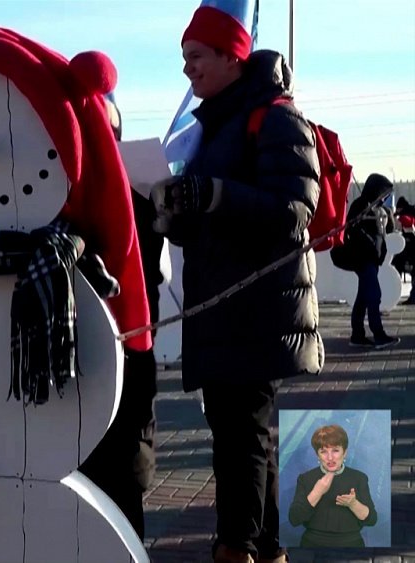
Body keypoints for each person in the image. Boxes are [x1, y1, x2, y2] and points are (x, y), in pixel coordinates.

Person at [151, 7, 324, 563]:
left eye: (196, 57)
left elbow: (294, 210)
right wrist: (175, 210)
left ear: (232, 56)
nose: (188, 70)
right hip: (226, 303)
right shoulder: (217, 122)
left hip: (258, 304)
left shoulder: (273, 118)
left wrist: (214, 194)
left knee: (240, 435)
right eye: (185, 59)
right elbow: (212, 212)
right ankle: (266, 547)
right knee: (246, 432)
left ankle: (236, 548)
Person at [79, 92, 161, 540]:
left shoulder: (140, 192)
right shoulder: (54, 192)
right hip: (76, 358)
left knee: (125, 471)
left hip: (130, 348)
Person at [288, 424, 377, 548]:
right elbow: (294, 519)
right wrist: (317, 492)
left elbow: (372, 520)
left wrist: (353, 504)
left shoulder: (359, 478)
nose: (330, 458)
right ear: (317, 455)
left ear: (344, 453)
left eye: (335, 450)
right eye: (323, 451)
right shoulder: (305, 479)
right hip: (312, 545)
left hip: (351, 544)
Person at [346, 174, 403, 345]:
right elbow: (352, 229)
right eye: (383, 193)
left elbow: (389, 228)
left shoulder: (378, 209)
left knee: (363, 297)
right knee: (374, 295)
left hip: (373, 259)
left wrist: (388, 215)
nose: (385, 197)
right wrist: (370, 244)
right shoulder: (361, 206)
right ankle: (378, 334)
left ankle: (357, 335)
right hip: (363, 258)